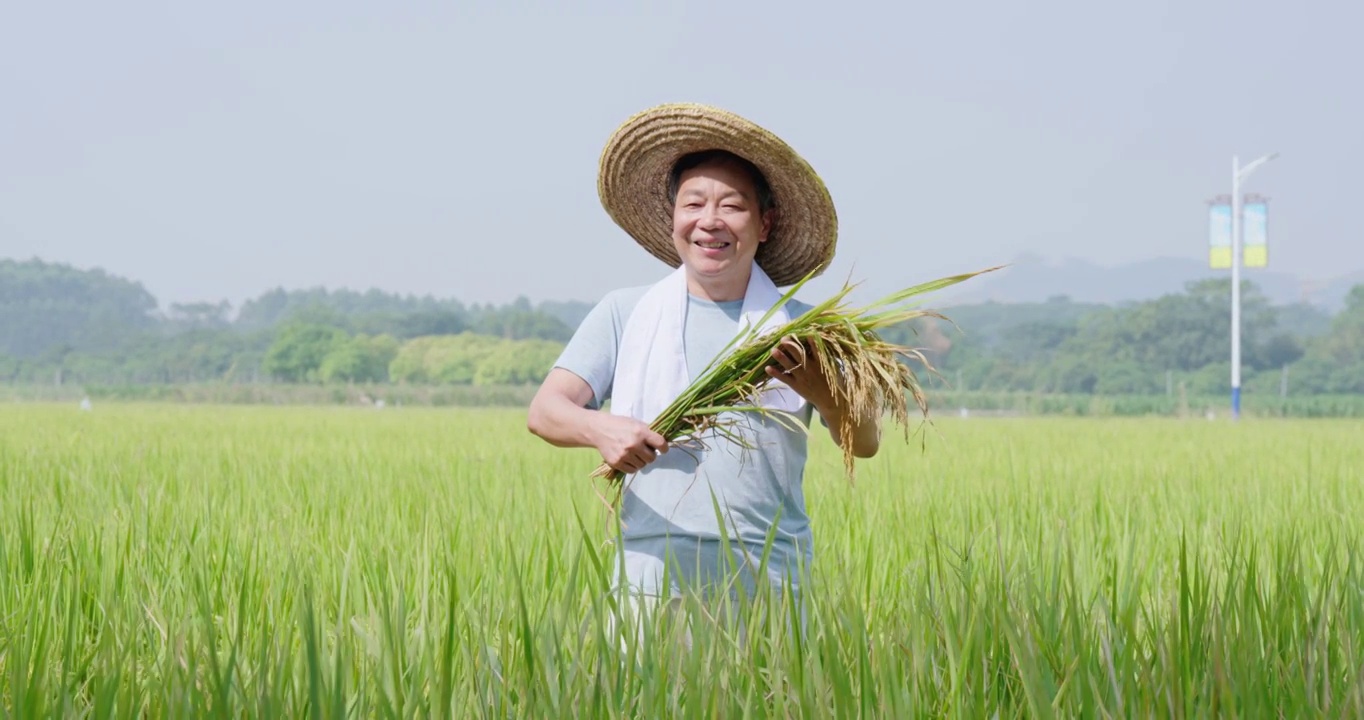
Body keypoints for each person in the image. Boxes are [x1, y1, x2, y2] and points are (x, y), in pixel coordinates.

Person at [527, 103, 881, 641]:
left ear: (764, 224)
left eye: (732, 206)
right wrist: (602, 430)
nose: (709, 220)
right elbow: (546, 411)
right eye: (694, 203)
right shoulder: (626, 312)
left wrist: (826, 396)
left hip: (771, 580)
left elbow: (867, 441)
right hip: (650, 579)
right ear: (674, 218)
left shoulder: (806, 328)